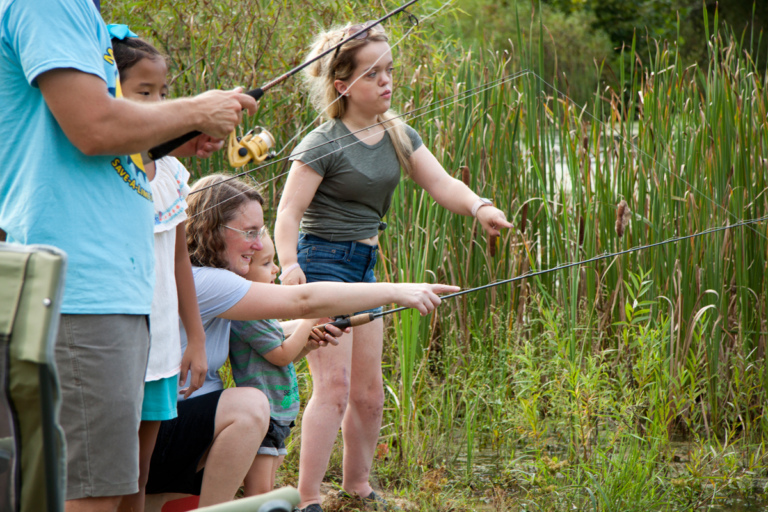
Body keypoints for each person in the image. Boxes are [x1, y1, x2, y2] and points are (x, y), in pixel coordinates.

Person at [0, 1, 257, 510]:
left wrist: (168, 137)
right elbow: (92, 125)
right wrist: (195, 109)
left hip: (98, 290)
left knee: (106, 489)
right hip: (80, 291)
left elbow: (70, 139)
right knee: (89, 493)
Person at [273, 22, 513, 511]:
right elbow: (287, 212)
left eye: (389, 70)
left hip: (365, 266)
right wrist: (290, 266)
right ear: (343, 86)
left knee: (367, 394)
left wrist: (481, 207)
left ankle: (357, 488)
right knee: (334, 390)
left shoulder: (398, 134)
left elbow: (443, 183)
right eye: (373, 74)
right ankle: (307, 498)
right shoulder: (323, 142)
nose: (387, 81)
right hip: (322, 263)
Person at [145, 174, 458, 508]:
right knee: (250, 405)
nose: (257, 244)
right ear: (212, 229)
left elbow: (266, 331)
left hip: (175, 434)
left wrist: (304, 335)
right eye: (249, 233)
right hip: (159, 432)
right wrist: (398, 291)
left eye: (259, 232)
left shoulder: (212, 284)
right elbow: (303, 300)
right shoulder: (206, 281)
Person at [108, 26, 213, 512]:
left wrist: (194, 338)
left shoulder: (171, 173)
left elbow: (179, 261)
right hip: (117, 337)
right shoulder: (106, 164)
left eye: (163, 93)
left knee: (140, 468)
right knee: (109, 467)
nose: (156, 103)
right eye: (142, 92)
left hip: (163, 346)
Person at [229, 231, 330, 496]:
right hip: (265, 418)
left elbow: (284, 359)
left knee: (268, 487)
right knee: (259, 493)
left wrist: (307, 344)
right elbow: (282, 355)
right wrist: (309, 320)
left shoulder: (264, 314)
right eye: (266, 263)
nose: (275, 269)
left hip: (280, 416)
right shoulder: (248, 316)